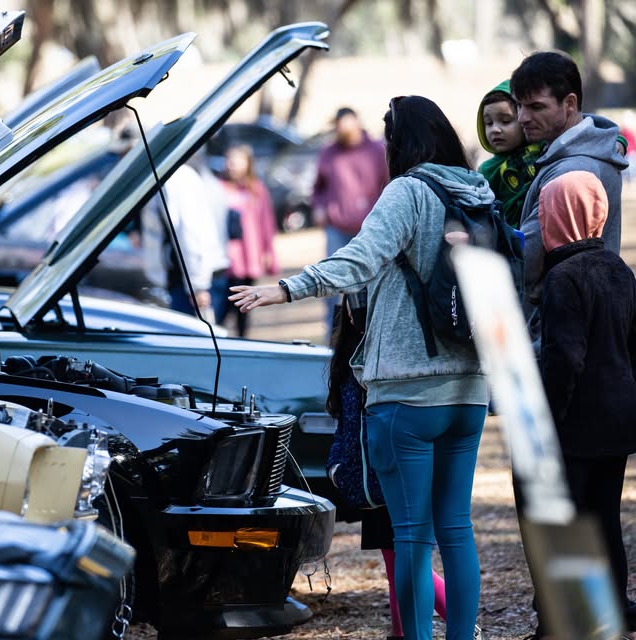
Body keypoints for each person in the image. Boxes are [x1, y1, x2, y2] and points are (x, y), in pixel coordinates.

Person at [230, 95, 489, 640]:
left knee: (412, 536)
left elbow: (359, 258)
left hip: (407, 392)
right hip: (469, 390)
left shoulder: (408, 191)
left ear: (399, 143)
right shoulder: (479, 192)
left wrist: (286, 289)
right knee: (456, 529)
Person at [535, 171, 636, 637]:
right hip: (619, 417)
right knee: (605, 517)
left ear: (557, 215)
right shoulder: (619, 268)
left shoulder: (562, 277)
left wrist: (547, 419)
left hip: (577, 423)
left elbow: (564, 359)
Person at [326, 291, 451, 640]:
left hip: (401, 473)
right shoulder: (349, 358)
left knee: (407, 564)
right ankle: (405, 632)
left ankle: (461, 625)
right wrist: (338, 467)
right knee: (397, 564)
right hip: (371, 480)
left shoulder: (394, 353)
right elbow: (344, 424)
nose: (358, 310)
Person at [508, 51, 629, 345]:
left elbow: (526, 260)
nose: (523, 118)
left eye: (536, 106)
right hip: (585, 326)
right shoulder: (597, 151)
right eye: (519, 105)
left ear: (570, 103)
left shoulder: (571, 171)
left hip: (554, 336)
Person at [311, 107, 389, 326]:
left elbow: (389, 184)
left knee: (370, 281)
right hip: (337, 228)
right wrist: (319, 207)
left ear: (357, 123)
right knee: (333, 281)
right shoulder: (328, 153)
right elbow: (318, 188)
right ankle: (333, 332)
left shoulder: (377, 150)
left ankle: (369, 330)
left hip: (369, 229)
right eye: (340, 126)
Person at [140, 158, 229, 320]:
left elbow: (190, 234)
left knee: (199, 333)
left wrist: (198, 286)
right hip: (191, 278)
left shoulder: (174, 179)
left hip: (192, 280)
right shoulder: (172, 176)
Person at [218, 144, 279, 337]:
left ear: (247, 163)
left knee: (245, 304)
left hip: (249, 255)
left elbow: (266, 222)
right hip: (228, 258)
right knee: (225, 304)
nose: (232, 164)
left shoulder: (256, 189)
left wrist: (268, 252)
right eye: (229, 160)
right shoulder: (219, 188)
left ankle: (242, 338)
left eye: (237, 160)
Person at [476, 80, 545, 227]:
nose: (495, 129)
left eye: (505, 121)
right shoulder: (487, 170)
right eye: (488, 123)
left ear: (524, 119)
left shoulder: (544, 147)